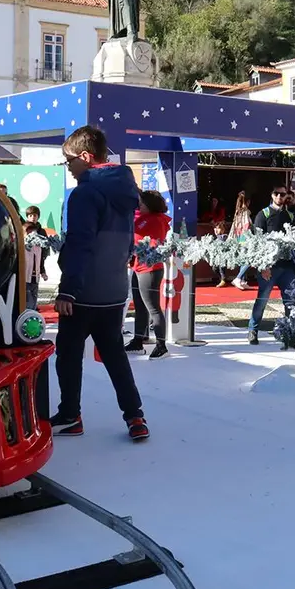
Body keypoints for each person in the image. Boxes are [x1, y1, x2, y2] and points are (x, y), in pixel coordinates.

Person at [49, 126, 149, 441]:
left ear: (85, 157)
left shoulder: (84, 193)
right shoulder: (126, 191)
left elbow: (80, 243)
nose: (68, 167)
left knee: (68, 355)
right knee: (115, 356)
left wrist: (67, 289)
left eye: (69, 161)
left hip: (82, 293)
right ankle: (135, 417)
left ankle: (69, 415)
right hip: (114, 291)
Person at [246, 183, 295, 345]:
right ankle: (253, 330)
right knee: (262, 299)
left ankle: (289, 332)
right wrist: (263, 266)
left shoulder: (290, 216)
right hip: (269, 267)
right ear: (272, 195)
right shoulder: (262, 215)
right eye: (276, 193)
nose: (279, 197)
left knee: (290, 301)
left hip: (287, 267)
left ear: (287, 197)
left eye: (282, 194)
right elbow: (256, 242)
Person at [128, 190, 171, 359]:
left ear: (150, 205)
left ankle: (162, 346)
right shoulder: (141, 217)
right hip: (137, 266)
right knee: (139, 306)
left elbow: (152, 243)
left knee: (153, 308)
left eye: (142, 202)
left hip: (150, 269)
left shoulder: (156, 221)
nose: (139, 205)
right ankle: (138, 341)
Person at [228, 191, 254, 290]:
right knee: (249, 259)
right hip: (245, 238)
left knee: (243, 260)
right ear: (248, 202)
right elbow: (247, 225)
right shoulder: (245, 212)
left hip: (239, 238)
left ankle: (242, 280)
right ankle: (238, 278)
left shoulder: (237, 212)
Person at [23, 205, 50, 282]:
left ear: (38, 217)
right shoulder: (24, 229)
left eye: (35, 215)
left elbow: (43, 252)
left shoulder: (41, 231)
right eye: (30, 215)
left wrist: (42, 271)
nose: (32, 217)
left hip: (37, 261)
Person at [23, 222, 46, 310]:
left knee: (33, 300)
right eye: (29, 233)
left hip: (35, 278)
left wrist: (43, 272)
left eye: (34, 233)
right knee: (28, 302)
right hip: (25, 278)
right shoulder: (22, 246)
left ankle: (32, 312)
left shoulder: (38, 247)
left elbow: (40, 261)